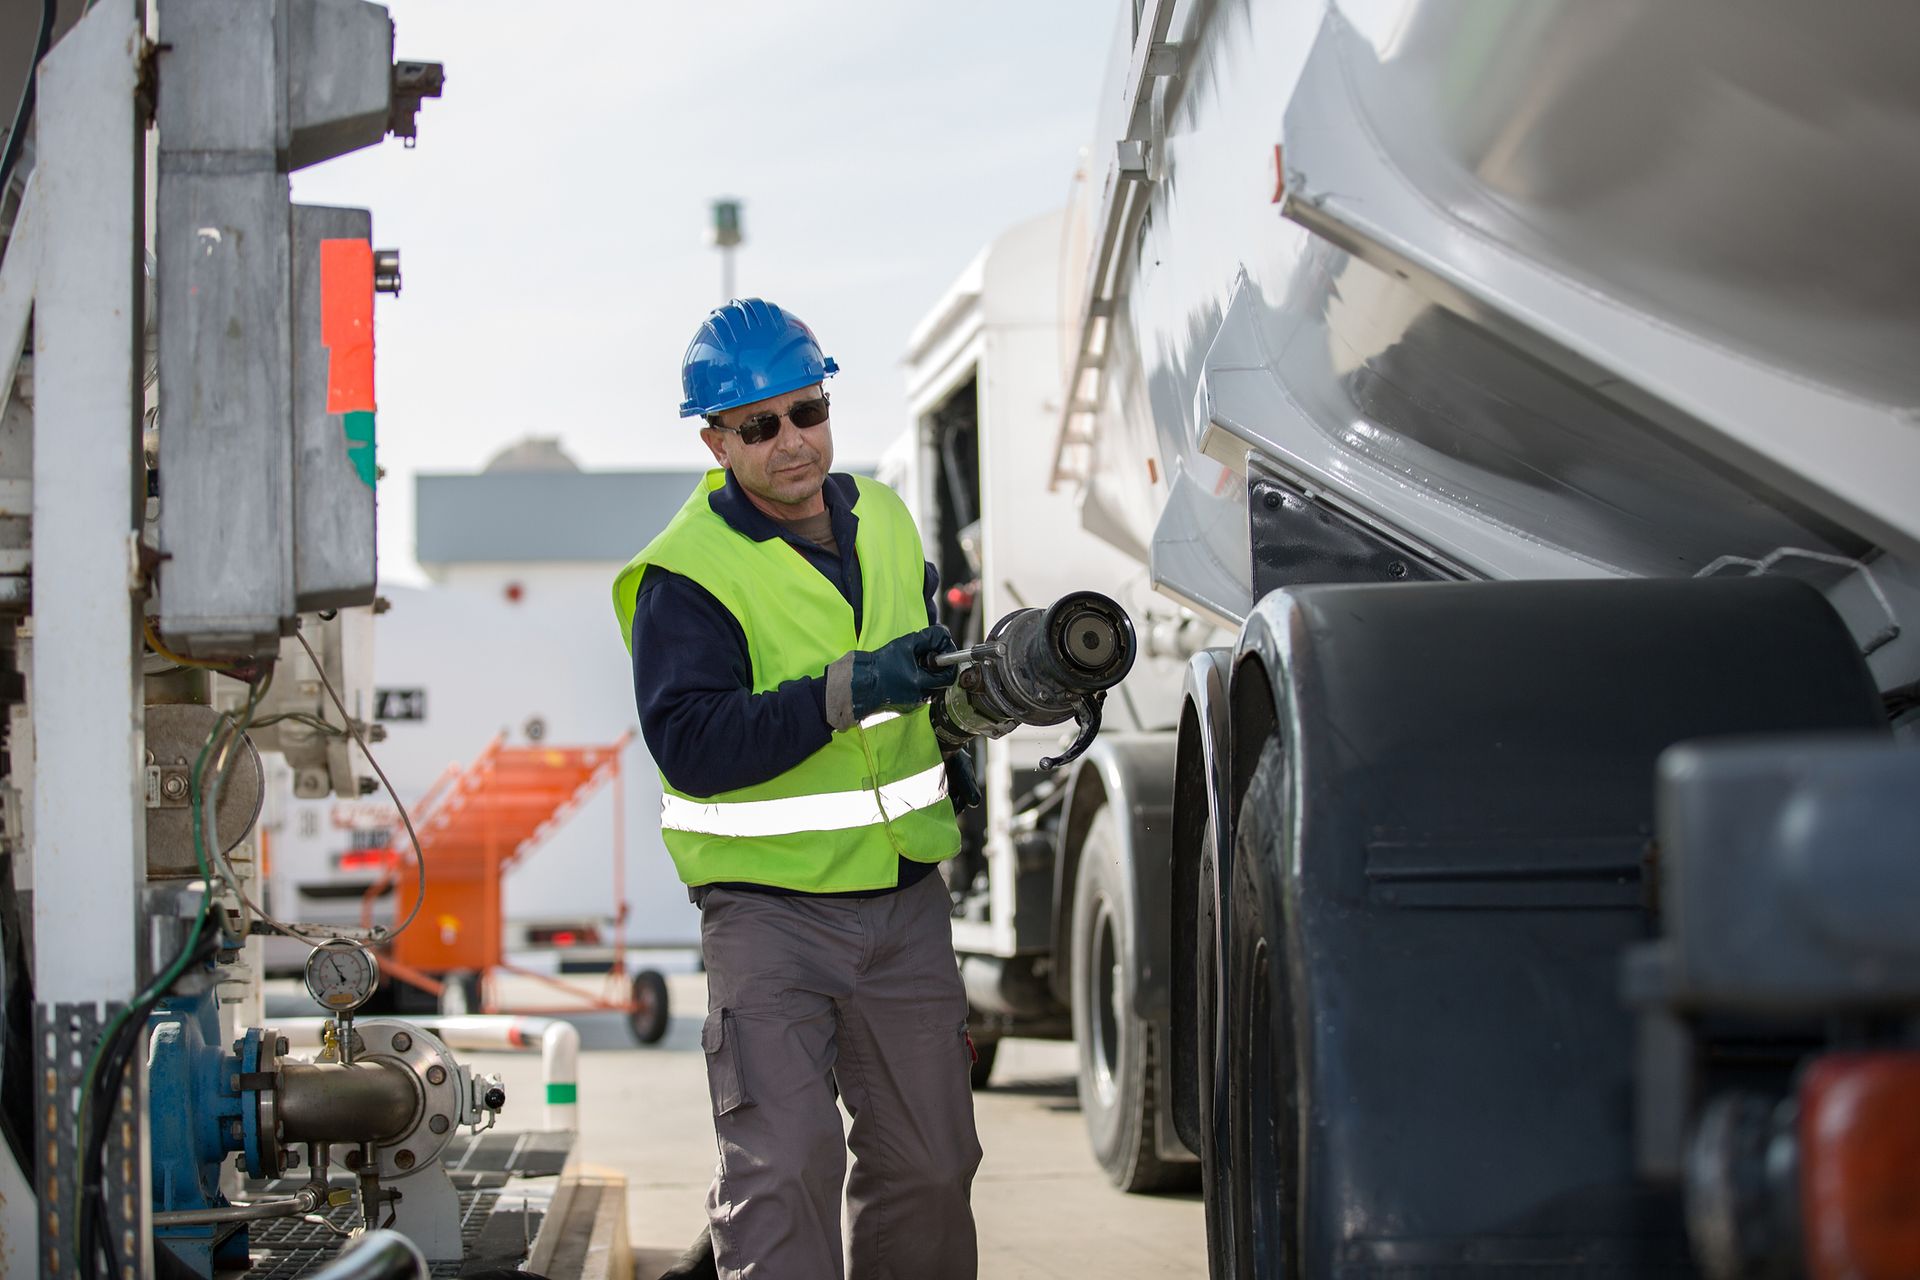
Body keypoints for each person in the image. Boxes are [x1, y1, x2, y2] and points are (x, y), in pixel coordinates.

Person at [612, 298, 984, 1280]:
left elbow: (929, 686)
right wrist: (851, 689)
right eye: (760, 425)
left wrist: (962, 716)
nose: (793, 442)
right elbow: (691, 740)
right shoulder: (685, 574)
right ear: (716, 440)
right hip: (768, 912)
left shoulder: (889, 521)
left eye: (807, 411)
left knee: (934, 1167)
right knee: (784, 1170)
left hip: (903, 904)